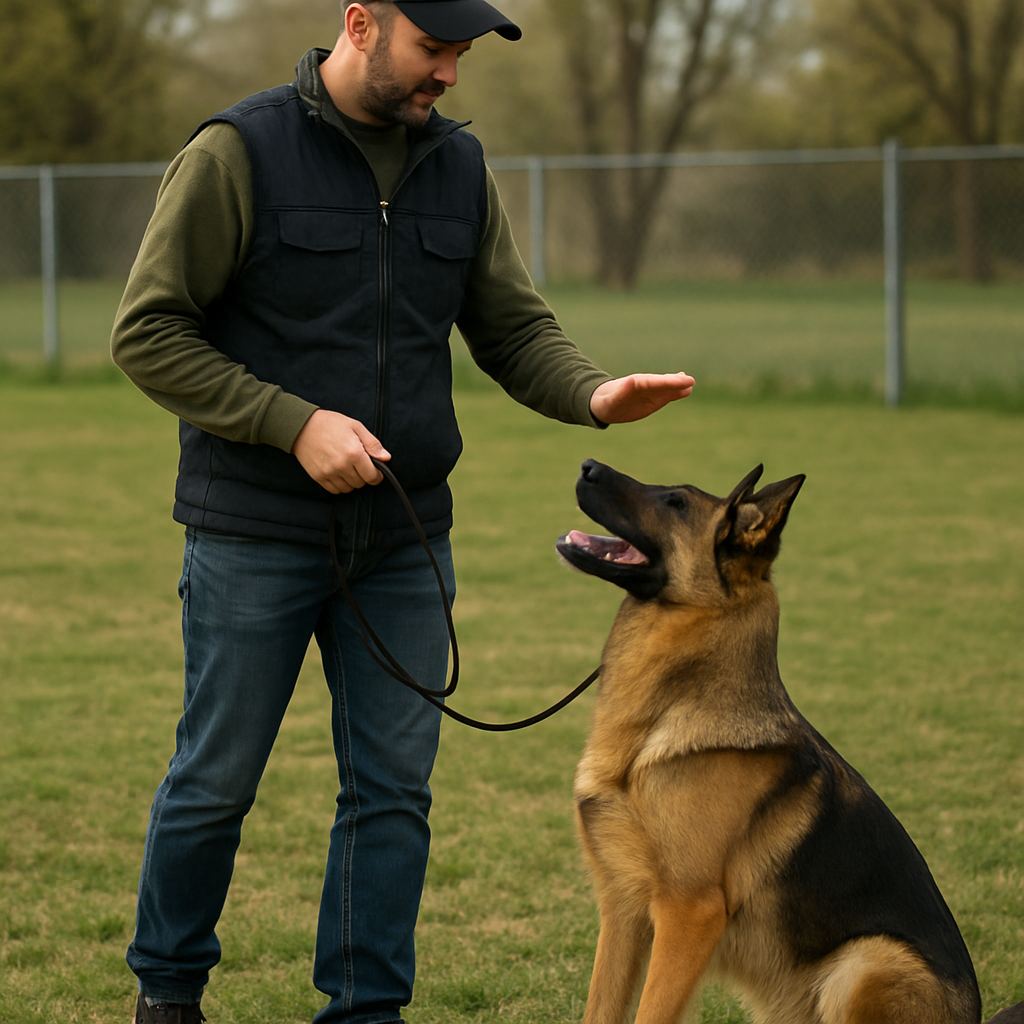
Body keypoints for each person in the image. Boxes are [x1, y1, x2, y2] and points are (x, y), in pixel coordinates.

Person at [110, 0, 695, 1021]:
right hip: (254, 530)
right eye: (435, 50)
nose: (449, 78)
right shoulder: (236, 152)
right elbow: (149, 332)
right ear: (361, 24)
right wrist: (292, 424)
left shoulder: (457, 169)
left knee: (391, 795)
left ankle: (365, 1009)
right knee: (214, 782)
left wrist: (593, 394)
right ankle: (167, 992)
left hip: (404, 539)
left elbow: (513, 328)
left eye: (461, 55)